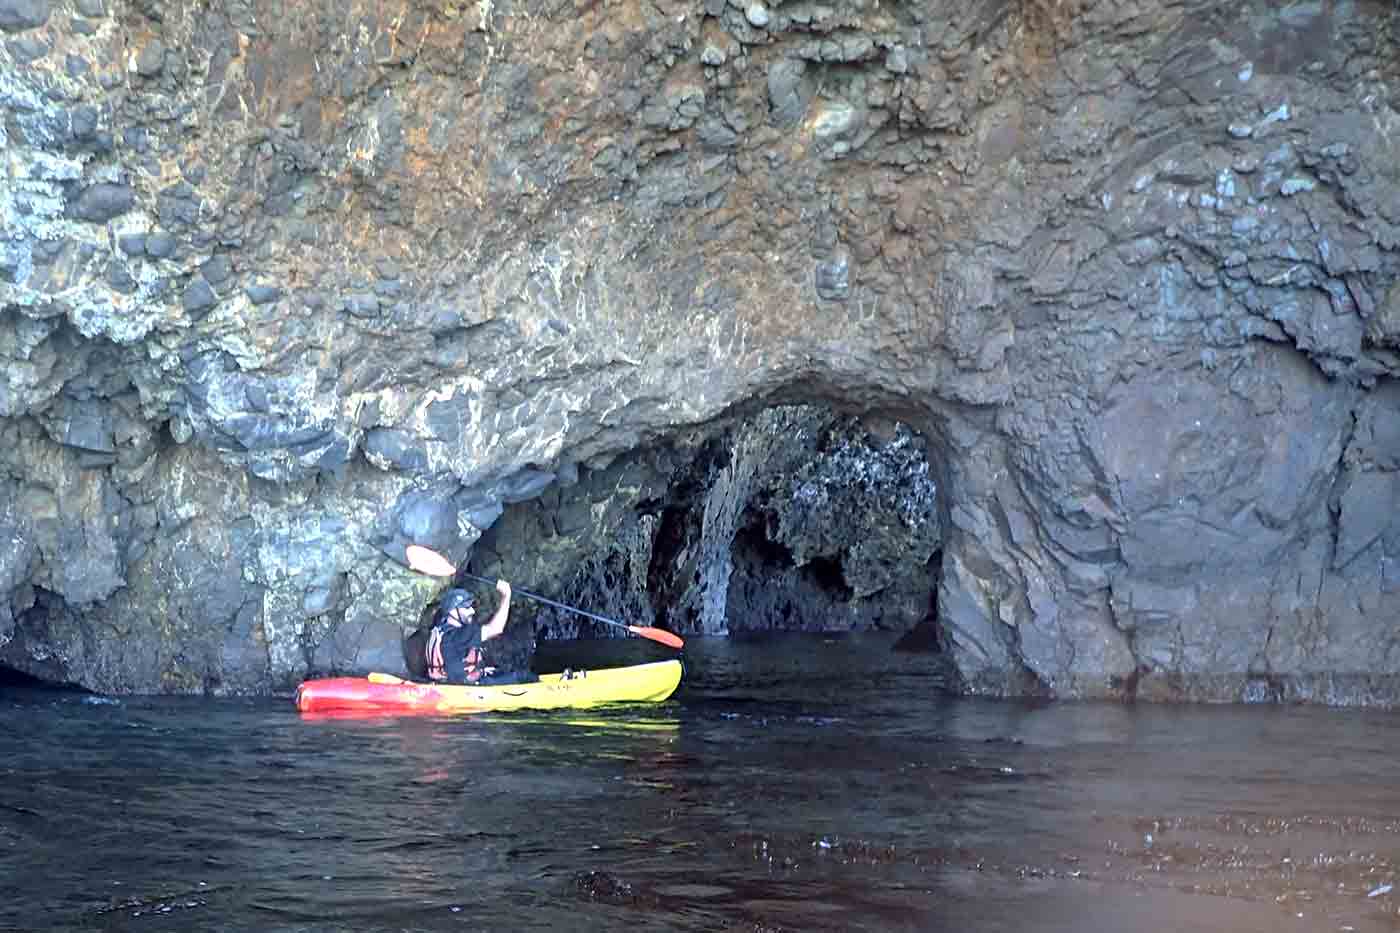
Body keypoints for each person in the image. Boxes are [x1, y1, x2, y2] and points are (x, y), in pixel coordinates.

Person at [403, 580, 534, 685]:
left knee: (498, 671)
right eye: (466, 607)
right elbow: (496, 628)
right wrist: (506, 596)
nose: (472, 611)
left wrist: (480, 672)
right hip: (462, 688)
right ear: (453, 611)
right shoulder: (459, 635)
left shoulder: (440, 628)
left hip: (441, 682)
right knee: (524, 676)